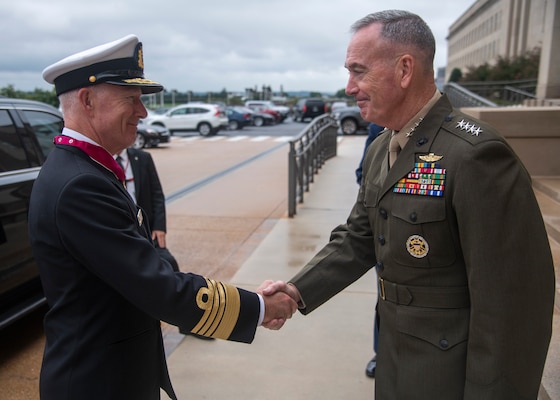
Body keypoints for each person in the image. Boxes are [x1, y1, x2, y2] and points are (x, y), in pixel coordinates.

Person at [263, 10, 555, 399]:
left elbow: (512, 308)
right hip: (396, 363)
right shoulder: (383, 146)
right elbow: (358, 238)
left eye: (358, 71)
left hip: (450, 376)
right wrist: (296, 292)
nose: (349, 87)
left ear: (404, 70)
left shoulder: (475, 156)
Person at [29, 34, 297, 400]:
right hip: (98, 384)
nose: (143, 112)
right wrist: (260, 306)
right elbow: (159, 287)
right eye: (131, 99)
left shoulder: (83, 170)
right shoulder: (80, 185)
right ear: (87, 100)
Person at [115, 147, 179, 272]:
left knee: (169, 262)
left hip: (145, 230)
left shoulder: (143, 158)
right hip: (120, 232)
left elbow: (157, 194)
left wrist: (159, 226)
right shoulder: (99, 162)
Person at [355, 121, 384, 379]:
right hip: (385, 234)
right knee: (384, 297)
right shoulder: (379, 130)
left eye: (361, 76)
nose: (351, 89)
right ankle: (381, 352)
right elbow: (361, 173)